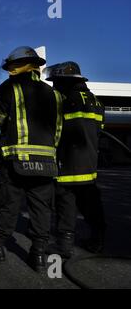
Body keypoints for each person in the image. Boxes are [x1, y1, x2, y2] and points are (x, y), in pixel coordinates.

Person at [0, 46, 63, 273]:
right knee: (42, 208)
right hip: (47, 163)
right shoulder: (54, 94)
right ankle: (38, 256)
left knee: (7, 205)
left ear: (15, 66)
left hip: (16, 162)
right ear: (36, 66)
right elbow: (58, 129)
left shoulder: (9, 88)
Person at [45, 61, 106, 256]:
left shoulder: (64, 100)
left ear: (65, 81)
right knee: (90, 202)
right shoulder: (96, 101)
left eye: (56, 82)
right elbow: (99, 132)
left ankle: (64, 244)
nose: (54, 86)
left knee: (66, 202)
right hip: (89, 162)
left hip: (67, 162)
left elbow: (53, 130)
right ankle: (98, 239)